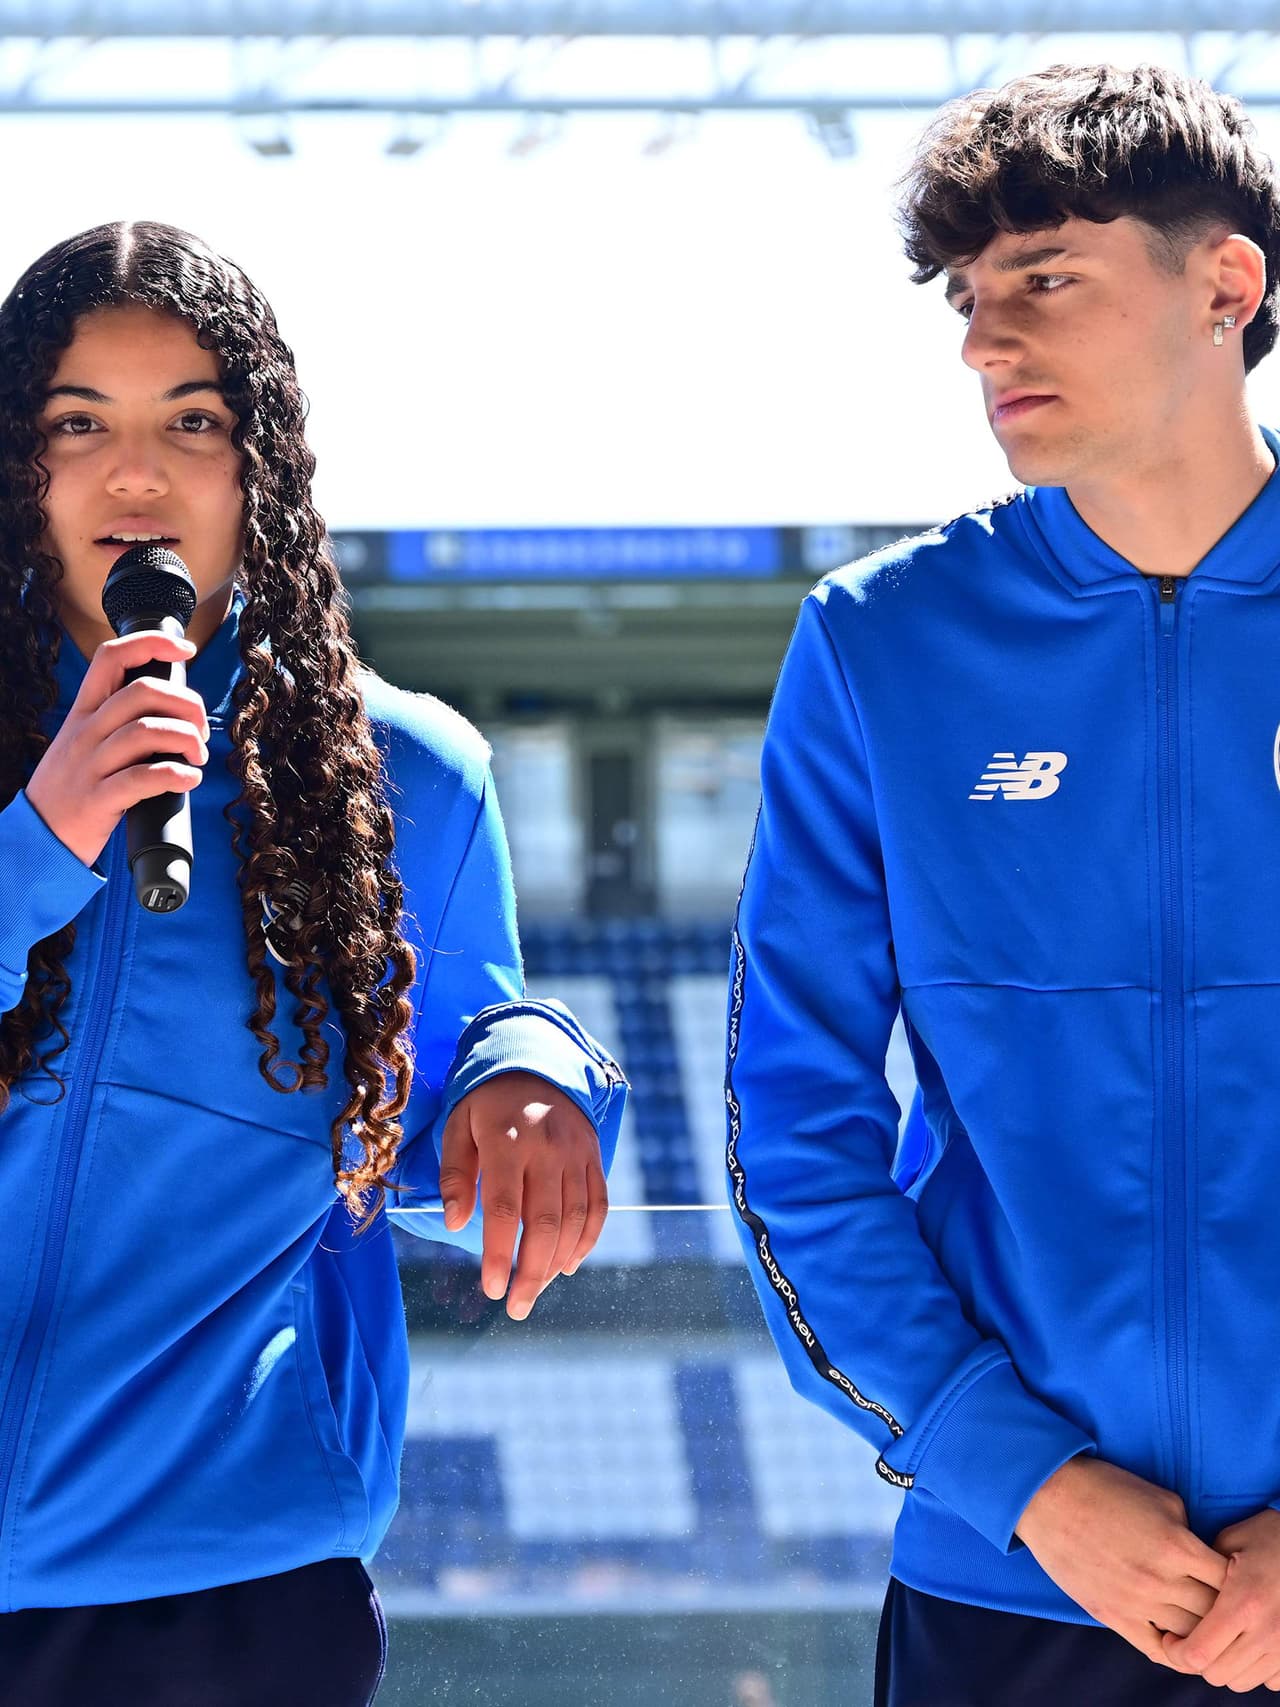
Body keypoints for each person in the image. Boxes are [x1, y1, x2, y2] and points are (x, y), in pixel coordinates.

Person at [0, 220, 628, 1705]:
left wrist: (536, 1071)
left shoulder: (404, 776)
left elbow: (447, 1090)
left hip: (230, 1591)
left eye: (193, 425)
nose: (135, 475)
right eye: (77, 423)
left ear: (259, 464)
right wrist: (44, 833)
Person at [724, 60, 1280, 1705]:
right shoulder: (880, 647)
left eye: (1046, 280)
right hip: (1017, 1592)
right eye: (970, 298)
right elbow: (791, 1132)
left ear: (1227, 285)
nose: (984, 342)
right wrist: (1024, 1483)